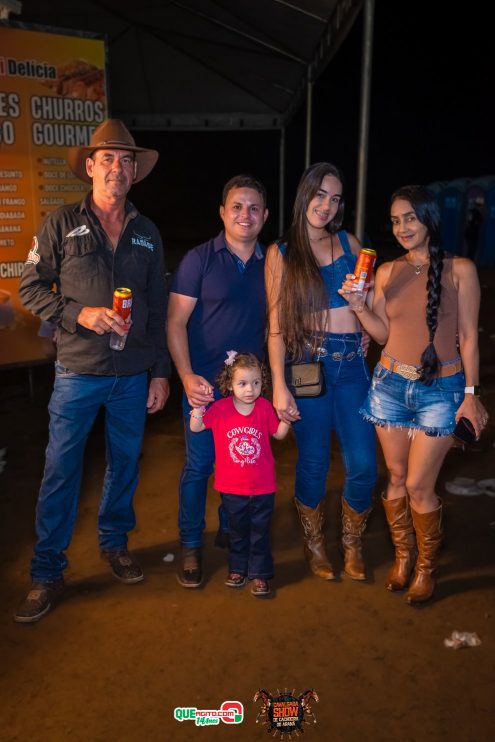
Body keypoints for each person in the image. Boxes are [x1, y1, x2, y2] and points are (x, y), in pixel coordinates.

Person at [15, 119, 170, 623]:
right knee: (62, 471)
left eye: (126, 161)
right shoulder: (61, 223)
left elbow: (159, 305)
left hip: (131, 374)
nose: (117, 168)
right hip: (77, 371)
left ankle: (114, 543)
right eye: (108, 159)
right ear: (90, 166)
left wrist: (161, 372)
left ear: (134, 172)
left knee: (124, 466)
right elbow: (31, 288)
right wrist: (78, 314)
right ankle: (46, 572)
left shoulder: (147, 233)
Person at [339, 184, 488, 604]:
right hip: (389, 385)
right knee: (398, 478)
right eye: (395, 220)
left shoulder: (461, 269)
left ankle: (426, 567)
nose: (402, 226)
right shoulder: (386, 271)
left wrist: (471, 394)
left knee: (421, 485)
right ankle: (403, 558)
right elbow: (385, 333)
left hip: (442, 389)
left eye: (410, 217)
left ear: (428, 218)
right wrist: (358, 306)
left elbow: (469, 338)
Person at [265, 162, 377, 582]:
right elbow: (275, 326)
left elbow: (367, 304)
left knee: (364, 464)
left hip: (352, 365)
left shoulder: (349, 241)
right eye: (319, 195)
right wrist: (279, 385)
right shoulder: (281, 252)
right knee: (312, 461)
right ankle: (315, 546)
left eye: (335, 198)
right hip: (307, 366)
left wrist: (367, 329)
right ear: (304, 195)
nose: (326, 206)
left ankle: (352, 542)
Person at [167, 174, 269, 588]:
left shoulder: (272, 262)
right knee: (200, 466)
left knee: (243, 465)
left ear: (264, 216)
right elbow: (175, 322)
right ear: (223, 213)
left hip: (247, 392)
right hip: (205, 390)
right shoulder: (199, 259)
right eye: (238, 207)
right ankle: (192, 544)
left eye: (254, 208)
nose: (246, 215)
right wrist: (186, 375)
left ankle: (233, 534)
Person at [190, 352, 290, 596]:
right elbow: (196, 428)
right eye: (242, 383)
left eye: (256, 383)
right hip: (231, 487)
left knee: (260, 532)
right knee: (237, 531)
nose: (250, 390)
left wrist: (288, 418)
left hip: (263, 486)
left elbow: (278, 434)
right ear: (229, 384)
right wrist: (199, 408)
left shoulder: (264, 407)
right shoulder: (221, 409)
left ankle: (260, 574)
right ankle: (237, 569)